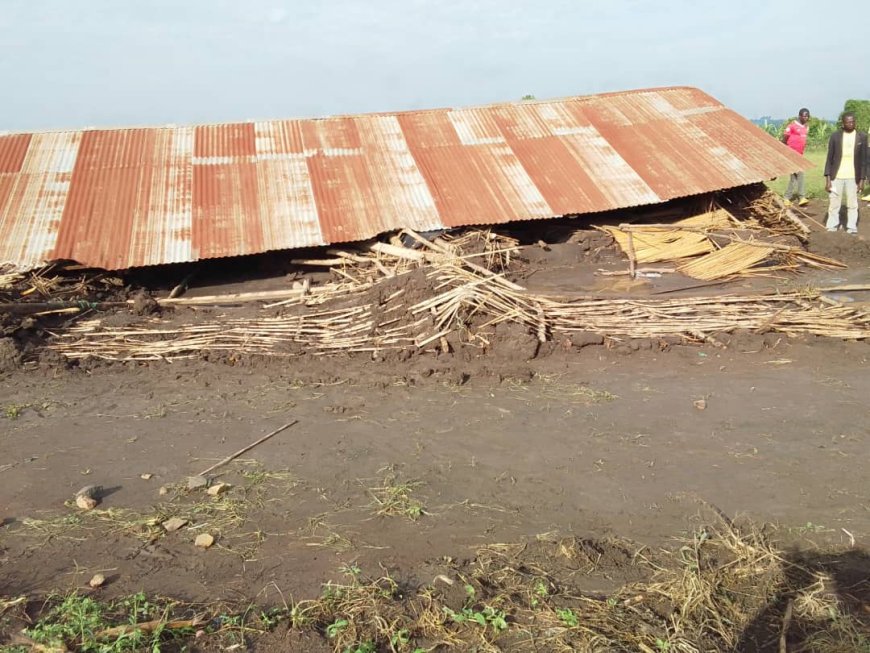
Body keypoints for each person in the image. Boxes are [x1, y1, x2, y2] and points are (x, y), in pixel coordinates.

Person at [824, 112, 867, 234]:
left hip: (853, 176)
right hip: (836, 176)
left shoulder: (861, 137)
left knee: (852, 203)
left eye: (853, 121)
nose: (851, 124)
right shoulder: (835, 136)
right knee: (834, 202)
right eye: (848, 122)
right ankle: (832, 225)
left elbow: (864, 161)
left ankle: (851, 227)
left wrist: (862, 180)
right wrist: (828, 179)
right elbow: (829, 158)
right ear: (843, 123)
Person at [782, 108, 811, 206]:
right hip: (791, 154)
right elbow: (784, 138)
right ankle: (802, 197)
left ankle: (786, 198)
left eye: (807, 116)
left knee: (794, 178)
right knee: (801, 174)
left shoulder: (805, 127)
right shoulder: (792, 126)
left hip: (800, 155)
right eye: (804, 115)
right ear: (799, 116)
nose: (806, 117)